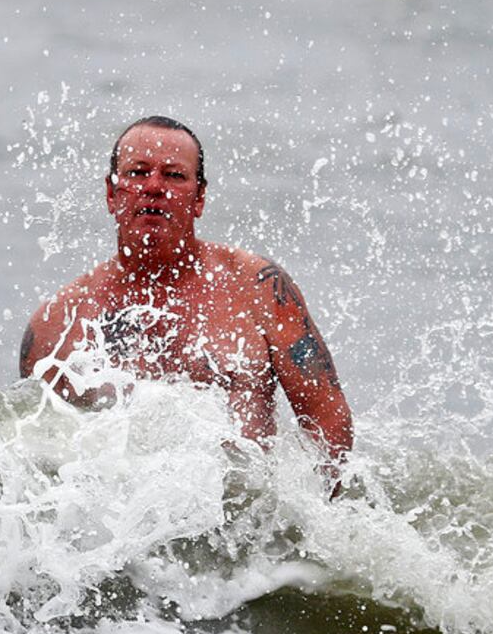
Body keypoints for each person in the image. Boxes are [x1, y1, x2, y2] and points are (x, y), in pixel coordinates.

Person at [19, 115, 353, 486]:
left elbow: (328, 425)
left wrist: (298, 528)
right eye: (138, 173)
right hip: (124, 531)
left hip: (249, 524)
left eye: (174, 176)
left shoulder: (258, 289)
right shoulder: (58, 326)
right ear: (112, 194)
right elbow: (42, 466)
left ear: (199, 198)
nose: (154, 187)